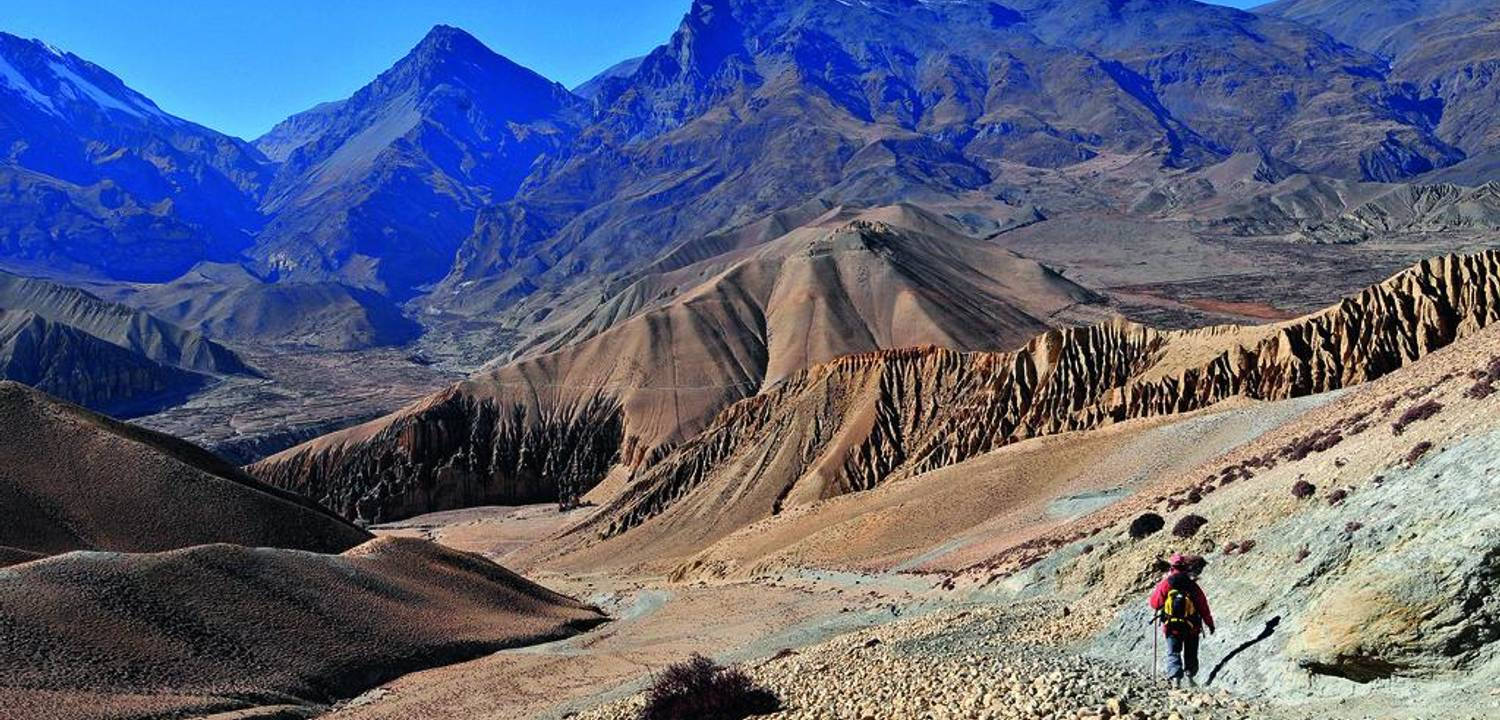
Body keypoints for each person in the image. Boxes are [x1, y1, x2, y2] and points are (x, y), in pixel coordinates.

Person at [1148, 553, 1215, 687]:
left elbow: (1155, 603)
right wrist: (1210, 624)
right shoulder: (1192, 585)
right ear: (1185, 567)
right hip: (1192, 626)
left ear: (1172, 567)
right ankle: (1190, 677)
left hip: (1171, 626)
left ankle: (1176, 680)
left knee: (1173, 652)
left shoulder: (1166, 583)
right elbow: (1203, 606)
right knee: (1191, 652)